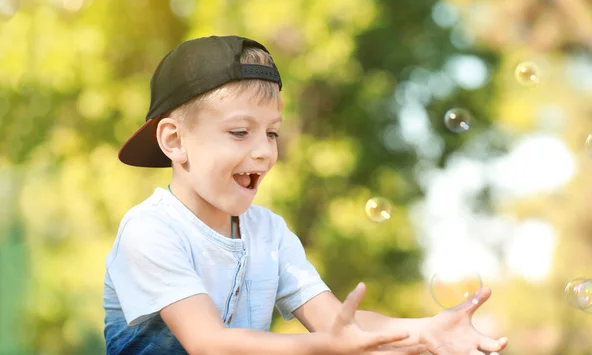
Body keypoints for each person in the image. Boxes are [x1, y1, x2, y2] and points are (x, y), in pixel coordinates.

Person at [103, 35, 508, 355]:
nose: (264, 150)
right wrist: (328, 347)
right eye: (240, 132)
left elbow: (336, 324)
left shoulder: (268, 232)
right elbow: (209, 343)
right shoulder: (150, 230)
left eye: (272, 132)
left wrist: (422, 331)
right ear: (175, 141)